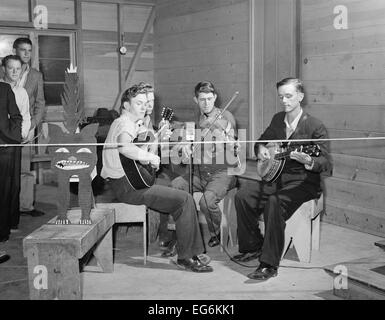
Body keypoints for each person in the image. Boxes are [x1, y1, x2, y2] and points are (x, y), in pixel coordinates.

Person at [101, 83, 213, 273]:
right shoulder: (124, 123)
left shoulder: (131, 123)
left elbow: (137, 153)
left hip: (129, 183)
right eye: (138, 103)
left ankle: (185, 249)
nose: (144, 108)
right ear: (126, 106)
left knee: (178, 198)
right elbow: (125, 147)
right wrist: (151, 157)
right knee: (184, 200)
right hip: (128, 188)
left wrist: (155, 144)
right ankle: (186, 256)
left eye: (145, 103)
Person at [233, 77, 332, 281]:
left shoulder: (315, 125)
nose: (284, 101)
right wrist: (261, 149)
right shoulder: (278, 119)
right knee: (243, 195)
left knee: (274, 203)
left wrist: (309, 162)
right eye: (281, 97)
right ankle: (252, 246)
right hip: (275, 178)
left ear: (300, 96)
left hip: (303, 182)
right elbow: (261, 141)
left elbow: (326, 164)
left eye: (289, 96)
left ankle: (269, 264)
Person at [169, 81, 238, 249]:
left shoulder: (226, 115)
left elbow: (231, 138)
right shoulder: (195, 119)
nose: (206, 103)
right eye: (202, 99)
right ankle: (179, 231)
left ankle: (215, 232)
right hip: (199, 174)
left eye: (209, 99)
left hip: (222, 173)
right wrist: (185, 145)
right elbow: (188, 141)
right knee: (175, 186)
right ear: (196, 100)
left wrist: (222, 133)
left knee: (206, 202)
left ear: (215, 97)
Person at [13, 37, 46, 217]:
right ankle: (7, 205)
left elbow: (40, 102)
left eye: (29, 50)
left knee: (25, 168)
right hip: (5, 126)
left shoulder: (36, 75)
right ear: (14, 50)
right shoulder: (5, 71)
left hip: (26, 126)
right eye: (23, 50)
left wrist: (33, 124)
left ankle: (25, 206)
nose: (27, 53)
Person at [0, 55, 31, 232]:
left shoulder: (22, 92)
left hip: (16, 139)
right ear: (4, 68)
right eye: (10, 68)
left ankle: (12, 221)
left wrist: (21, 135)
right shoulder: (2, 87)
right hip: (5, 141)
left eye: (18, 69)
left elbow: (24, 116)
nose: (14, 72)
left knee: (14, 183)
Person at [0, 81, 22, 245]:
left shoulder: (4, 88)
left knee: (4, 191)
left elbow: (16, 116)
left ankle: (2, 232)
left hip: (4, 147)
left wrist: (11, 140)